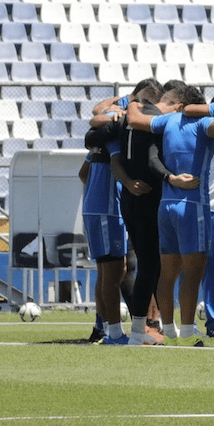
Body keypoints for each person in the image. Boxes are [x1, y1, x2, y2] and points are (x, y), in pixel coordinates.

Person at [126, 84, 214, 346]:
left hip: (161, 204)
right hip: (189, 204)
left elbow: (138, 149)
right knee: (193, 270)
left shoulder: (158, 121)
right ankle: (187, 332)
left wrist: (131, 103)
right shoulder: (190, 123)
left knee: (165, 272)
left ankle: (168, 329)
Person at [107, 78, 169, 346]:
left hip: (130, 198)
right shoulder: (153, 120)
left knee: (145, 264)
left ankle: (141, 328)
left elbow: (101, 145)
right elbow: (154, 160)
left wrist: (128, 184)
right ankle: (139, 330)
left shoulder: (122, 122)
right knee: (149, 265)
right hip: (149, 198)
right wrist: (172, 177)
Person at [79, 115, 129, 345]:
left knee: (103, 271)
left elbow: (82, 173)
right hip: (108, 211)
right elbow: (118, 168)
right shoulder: (115, 143)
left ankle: (102, 326)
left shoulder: (96, 145)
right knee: (114, 273)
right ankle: (114, 333)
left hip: (92, 209)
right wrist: (130, 185)